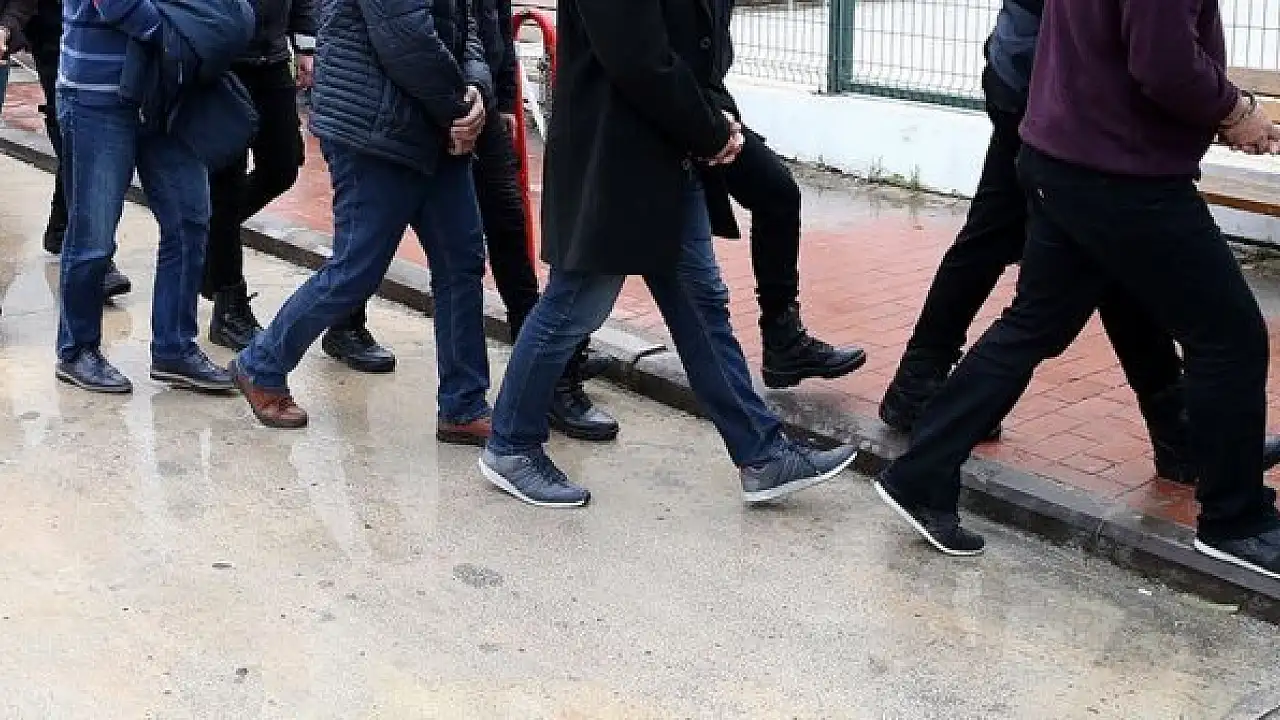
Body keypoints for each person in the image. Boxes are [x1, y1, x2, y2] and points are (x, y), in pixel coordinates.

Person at [875, 0, 1280, 581]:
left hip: (1065, 155)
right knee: (1230, 337)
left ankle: (921, 473)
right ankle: (1236, 521)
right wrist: (1234, 110)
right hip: (1123, 176)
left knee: (1034, 325)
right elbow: (1164, 64)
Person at [478, 0, 858, 508]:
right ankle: (511, 445)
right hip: (617, 162)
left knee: (702, 308)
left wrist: (716, 116)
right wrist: (710, 130)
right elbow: (637, 56)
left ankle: (762, 454)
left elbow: (696, 41)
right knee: (574, 306)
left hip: (668, 157)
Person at [230, 0, 495, 445]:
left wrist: (475, 89)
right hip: (375, 130)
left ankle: (464, 405)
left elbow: (465, 21)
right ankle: (261, 365)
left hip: (433, 126)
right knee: (357, 268)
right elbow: (404, 37)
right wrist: (457, 109)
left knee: (462, 263)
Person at [55, 0, 238, 393]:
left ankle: (175, 347)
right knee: (93, 237)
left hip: (165, 92)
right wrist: (180, 36)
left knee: (189, 219)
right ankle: (77, 350)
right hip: (98, 94)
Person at [468, 0, 617, 441]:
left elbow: (491, 22)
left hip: (480, 106)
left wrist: (501, 95)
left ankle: (548, 373)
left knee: (510, 237)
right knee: (388, 245)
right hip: (424, 110)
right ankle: (344, 325)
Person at [709, 0, 866, 390]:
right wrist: (706, 121)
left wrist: (721, 114)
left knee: (776, 193)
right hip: (658, 111)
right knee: (619, 248)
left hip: (700, 105)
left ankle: (783, 338)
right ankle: (566, 352)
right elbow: (647, 57)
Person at [201, 0, 314, 354]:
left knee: (283, 165)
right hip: (226, 62)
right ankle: (228, 304)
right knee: (226, 182)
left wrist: (305, 45)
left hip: (273, 59)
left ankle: (210, 246)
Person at [25, 0, 133, 300]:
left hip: (103, 45)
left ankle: (62, 228)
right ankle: (94, 260)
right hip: (57, 36)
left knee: (77, 151)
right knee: (81, 148)